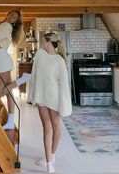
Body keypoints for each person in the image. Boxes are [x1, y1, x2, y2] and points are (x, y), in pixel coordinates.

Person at [28, 32, 72, 173]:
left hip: (54, 99)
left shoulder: (59, 60)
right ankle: (48, 164)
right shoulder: (40, 55)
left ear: (48, 42)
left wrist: (64, 104)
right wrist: (32, 95)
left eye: (43, 42)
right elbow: (34, 75)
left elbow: (64, 85)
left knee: (55, 126)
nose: (42, 44)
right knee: (47, 128)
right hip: (41, 98)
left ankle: (52, 155)